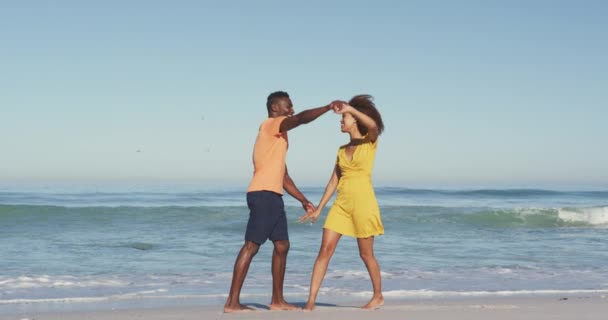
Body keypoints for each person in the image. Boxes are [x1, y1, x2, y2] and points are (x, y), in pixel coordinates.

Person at [224, 91, 339, 313]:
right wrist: (326, 108)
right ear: (276, 108)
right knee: (251, 246)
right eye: (288, 106)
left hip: (274, 195)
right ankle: (232, 302)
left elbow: (284, 177)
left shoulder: (278, 140)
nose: (292, 110)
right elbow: (301, 119)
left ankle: (277, 300)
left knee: (282, 245)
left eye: (292, 107)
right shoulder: (271, 124)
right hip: (263, 194)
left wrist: (304, 200)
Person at [299, 94, 385, 311]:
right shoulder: (340, 150)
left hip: (363, 205)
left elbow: (373, 125)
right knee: (324, 251)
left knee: (365, 254)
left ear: (355, 119)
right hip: (341, 205)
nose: (340, 121)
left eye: (344, 118)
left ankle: (378, 296)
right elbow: (333, 181)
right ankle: (310, 301)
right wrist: (319, 208)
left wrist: (351, 109)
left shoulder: (370, 141)